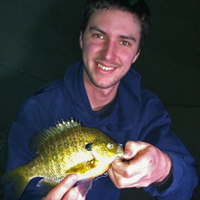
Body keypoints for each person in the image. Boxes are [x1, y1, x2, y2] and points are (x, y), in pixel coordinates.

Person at [3, 0, 198, 199]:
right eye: (99, 35)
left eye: (124, 42)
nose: (108, 54)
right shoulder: (37, 108)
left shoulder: (148, 111)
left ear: (136, 54)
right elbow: (12, 191)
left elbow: (187, 186)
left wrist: (163, 169)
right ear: (81, 39)